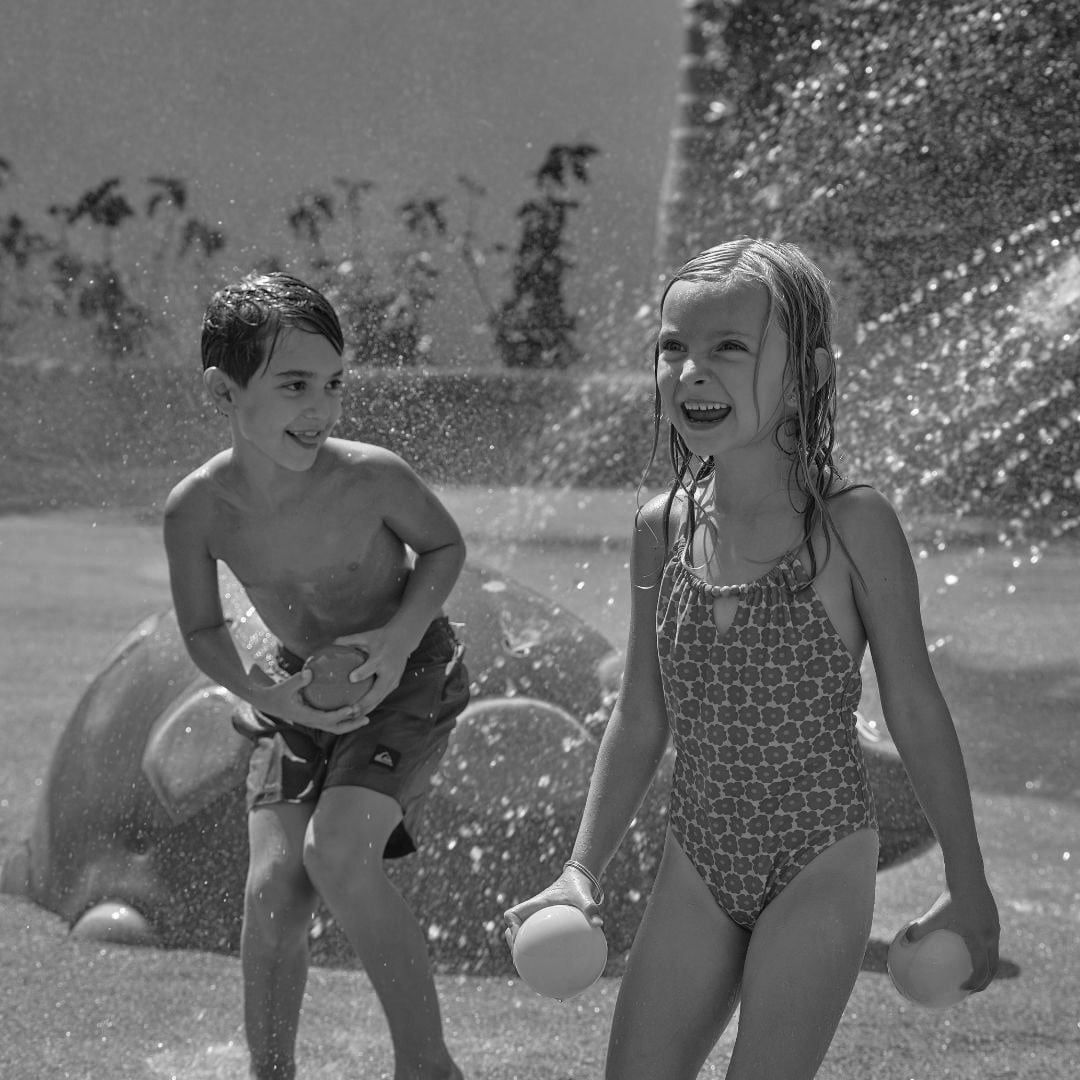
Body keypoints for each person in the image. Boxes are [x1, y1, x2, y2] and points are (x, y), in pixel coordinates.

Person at [505, 239, 999, 1079]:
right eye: (673, 348)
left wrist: (969, 883)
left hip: (821, 852)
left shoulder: (852, 525)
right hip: (699, 853)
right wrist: (578, 870)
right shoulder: (661, 526)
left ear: (807, 371)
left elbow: (915, 709)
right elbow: (639, 712)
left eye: (729, 348)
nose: (692, 372)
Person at [164, 272, 469, 1080]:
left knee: (336, 855)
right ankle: (272, 1072)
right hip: (292, 690)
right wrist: (264, 693)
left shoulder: (371, 475)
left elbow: (445, 548)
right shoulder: (197, 510)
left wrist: (399, 641)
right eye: (294, 385)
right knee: (274, 887)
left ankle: (427, 1065)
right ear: (222, 391)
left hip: (409, 673)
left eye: (332, 384)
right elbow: (202, 627)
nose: (321, 408)